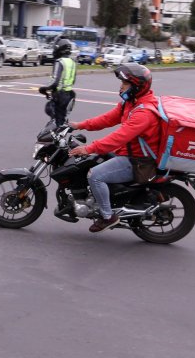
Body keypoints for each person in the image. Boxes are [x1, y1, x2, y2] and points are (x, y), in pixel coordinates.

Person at [65, 64, 164, 233]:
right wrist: (79, 125)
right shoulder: (131, 103)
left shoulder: (144, 113)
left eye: (125, 83)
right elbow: (107, 119)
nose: (121, 86)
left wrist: (89, 148)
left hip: (138, 161)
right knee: (93, 160)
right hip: (128, 153)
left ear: (137, 86)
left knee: (95, 175)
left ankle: (107, 216)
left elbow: (119, 137)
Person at [39, 39, 77, 127]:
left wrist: (43, 89)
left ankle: (56, 137)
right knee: (62, 118)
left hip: (59, 95)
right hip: (69, 95)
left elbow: (54, 82)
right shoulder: (72, 62)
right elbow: (73, 80)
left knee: (51, 111)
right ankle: (61, 136)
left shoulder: (59, 62)